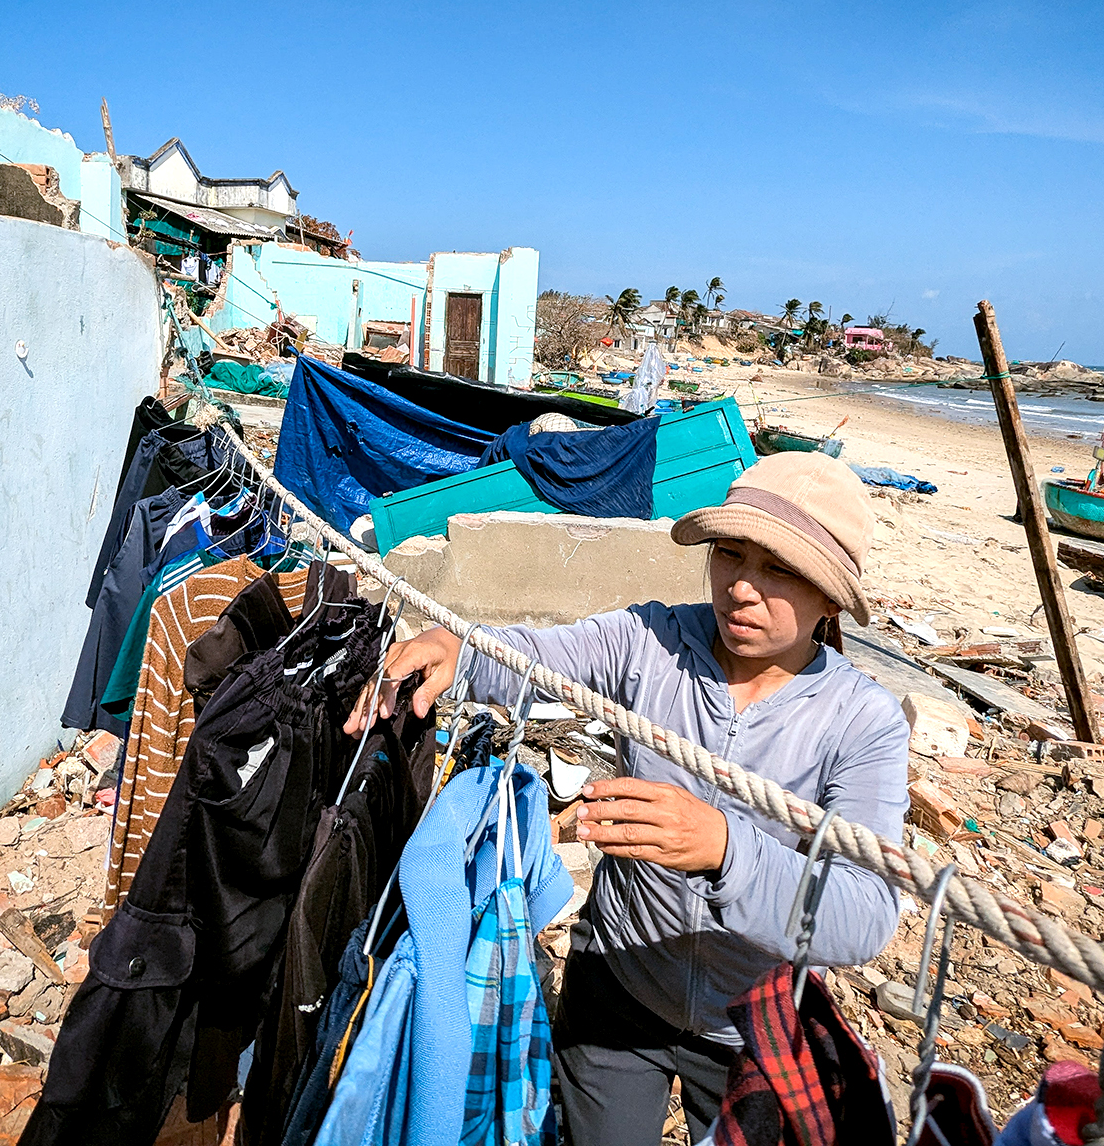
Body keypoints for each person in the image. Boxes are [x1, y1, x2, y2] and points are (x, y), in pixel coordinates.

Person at [349, 451, 910, 1146]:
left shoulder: (862, 722)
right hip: (617, 989)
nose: (741, 587)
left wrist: (725, 852)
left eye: (780, 570)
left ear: (829, 597)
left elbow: (866, 912)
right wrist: (458, 650)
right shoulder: (653, 642)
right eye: (729, 555)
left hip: (755, 1028)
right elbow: (540, 658)